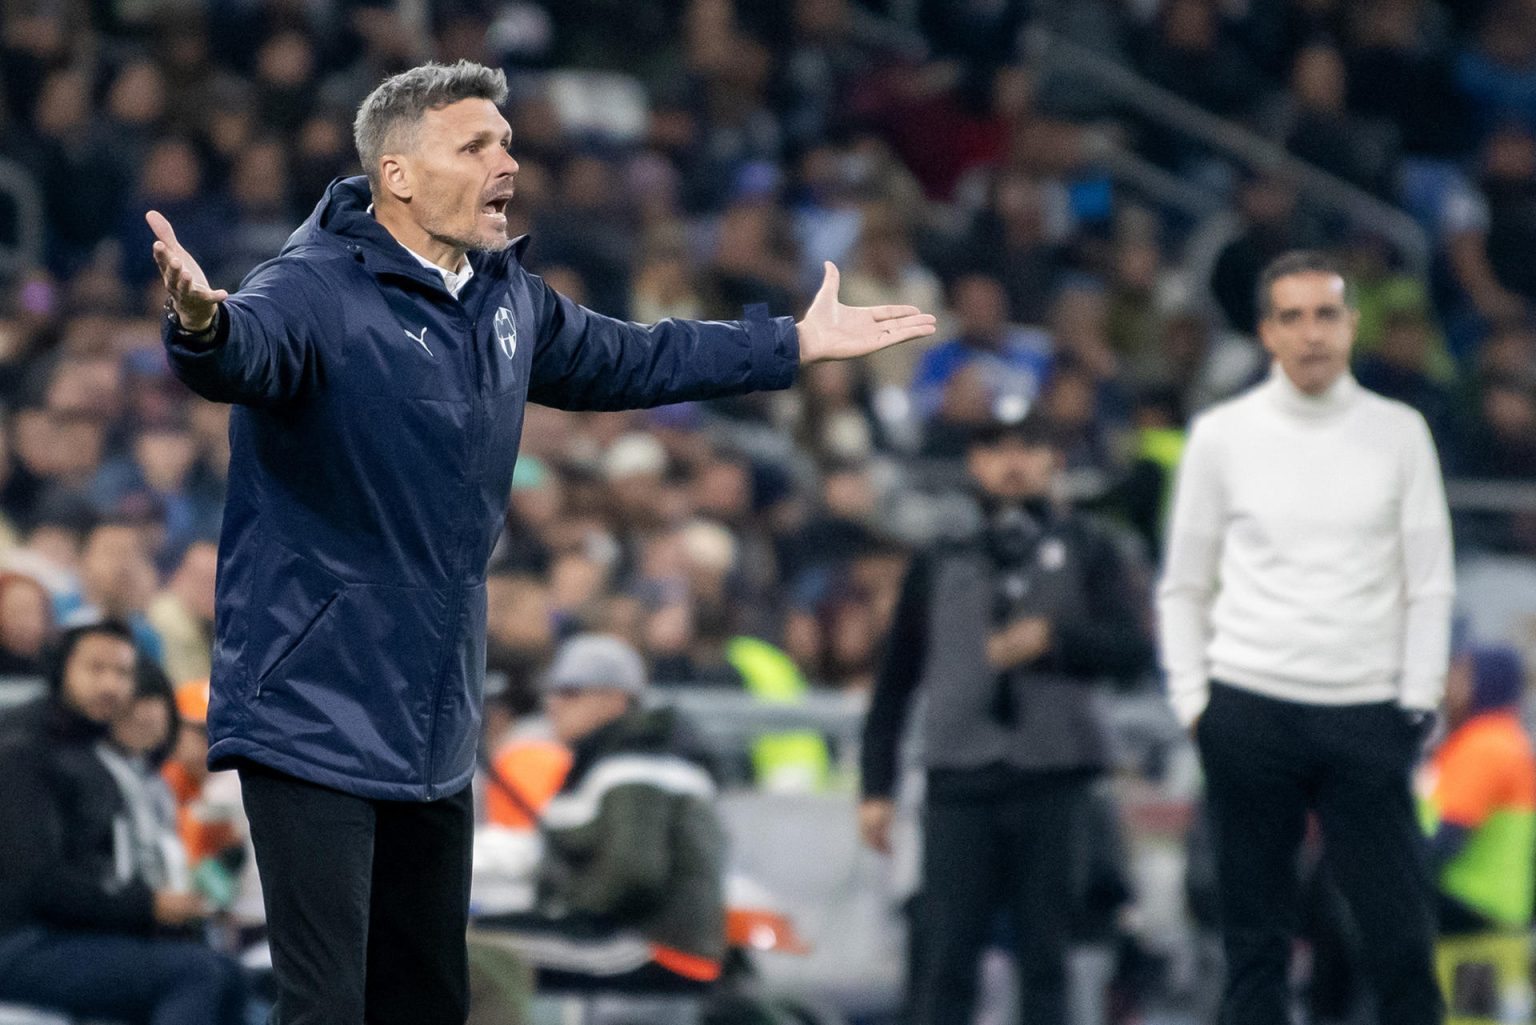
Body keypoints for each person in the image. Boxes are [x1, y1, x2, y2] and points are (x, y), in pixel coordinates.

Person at [147, 59, 934, 1025]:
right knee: (327, 1007)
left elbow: (635, 356)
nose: (506, 159)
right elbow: (246, 348)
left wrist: (790, 345)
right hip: (312, 708)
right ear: (397, 175)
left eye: (507, 141)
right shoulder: (313, 288)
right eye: (475, 144)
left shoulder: (504, 299)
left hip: (433, 715)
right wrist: (201, 325)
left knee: (431, 1000)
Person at [1157, 250, 1454, 1025]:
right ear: (1266, 331)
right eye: (1291, 316)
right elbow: (1184, 584)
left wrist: (1415, 701)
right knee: (1254, 948)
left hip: (1367, 710)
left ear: (1353, 325)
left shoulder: (1400, 433)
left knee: (1401, 944)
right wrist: (1198, 703)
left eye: (1326, 314)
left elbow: (1430, 582)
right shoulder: (1223, 435)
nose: (1311, 332)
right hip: (1250, 705)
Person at [859, 413, 1154, 1025]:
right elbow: (895, 681)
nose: (1013, 461)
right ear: (974, 464)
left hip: (1054, 776)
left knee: (1048, 960)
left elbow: (1134, 653)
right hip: (959, 777)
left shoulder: (1092, 548)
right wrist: (876, 786)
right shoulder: (940, 557)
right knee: (945, 959)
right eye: (996, 447)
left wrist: (1058, 639)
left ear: (1055, 461)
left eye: (1030, 446)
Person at [0, 621, 246, 1024]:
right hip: (23, 942)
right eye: (96, 669)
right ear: (61, 668)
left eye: (123, 673)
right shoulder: (21, 748)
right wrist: (147, 906)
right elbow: (37, 882)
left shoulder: (91, 749)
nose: (111, 685)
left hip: (76, 933)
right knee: (197, 974)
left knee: (227, 973)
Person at [473, 632, 727, 990]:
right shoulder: (599, 761)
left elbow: (634, 872)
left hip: (652, 945)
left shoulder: (639, 761)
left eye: (570, 692)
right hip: (629, 935)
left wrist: (561, 913)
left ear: (616, 699)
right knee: (474, 938)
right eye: (552, 693)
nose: (554, 705)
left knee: (471, 954)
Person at [1420, 643, 1535, 936]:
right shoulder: (1504, 738)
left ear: (1485, 681)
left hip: (1472, 900)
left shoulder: (1484, 744)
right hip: (1494, 903)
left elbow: (1448, 841)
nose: (1448, 686)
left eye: (1460, 674)